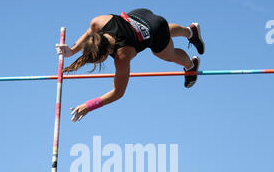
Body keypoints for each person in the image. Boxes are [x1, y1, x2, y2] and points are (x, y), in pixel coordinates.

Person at [55, 8, 205, 122]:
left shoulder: (122, 55)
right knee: (160, 28)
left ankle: (191, 65)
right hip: (141, 15)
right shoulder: (98, 22)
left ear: (107, 52)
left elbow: (118, 92)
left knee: (167, 54)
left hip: (155, 32)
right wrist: (72, 50)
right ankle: (190, 31)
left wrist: (89, 105)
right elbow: (89, 33)